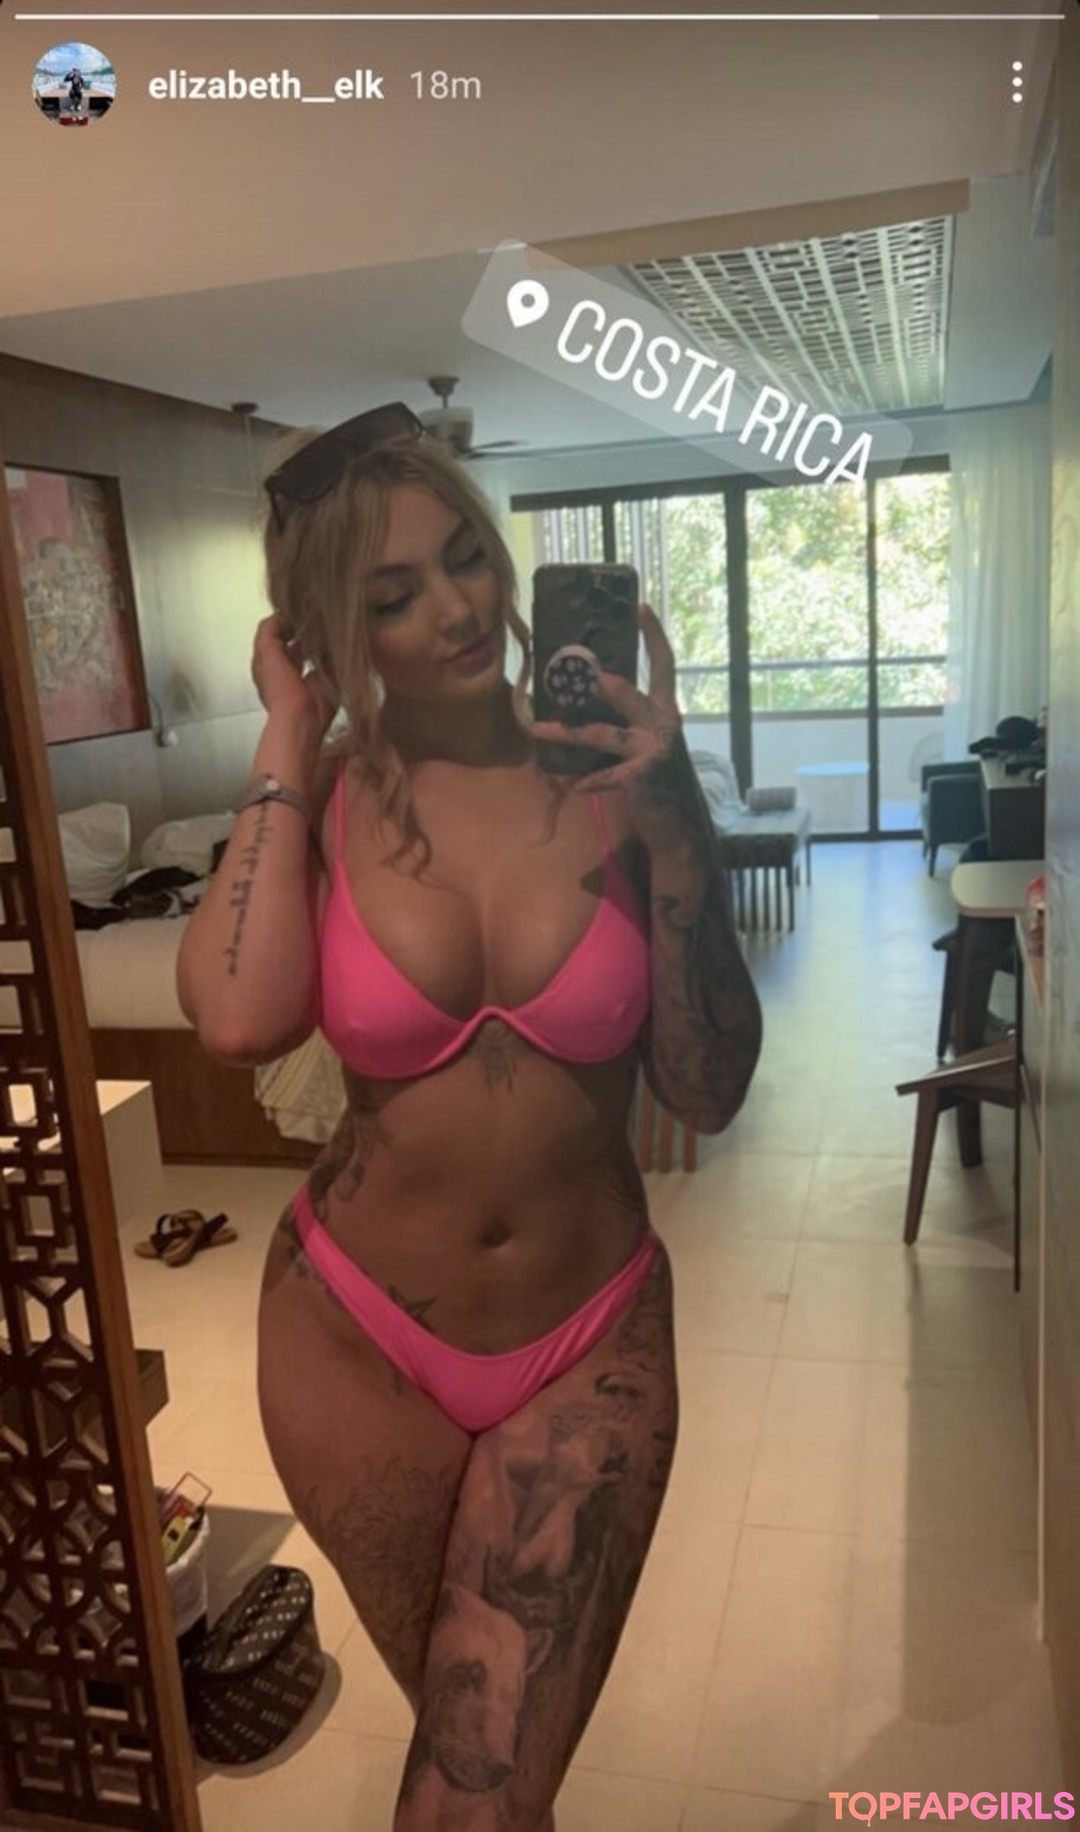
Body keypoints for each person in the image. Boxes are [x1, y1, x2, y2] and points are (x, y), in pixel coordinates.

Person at [176, 402, 762, 1830]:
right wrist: (287, 730)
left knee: (477, 1793)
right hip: (351, 1341)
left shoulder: (618, 785)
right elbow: (240, 1020)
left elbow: (708, 1088)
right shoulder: (321, 798)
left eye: (465, 560)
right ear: (330, 630)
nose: (455, 610)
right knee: (487, 1780)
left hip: (588, 1343)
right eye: (391, 596)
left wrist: (679, 819)